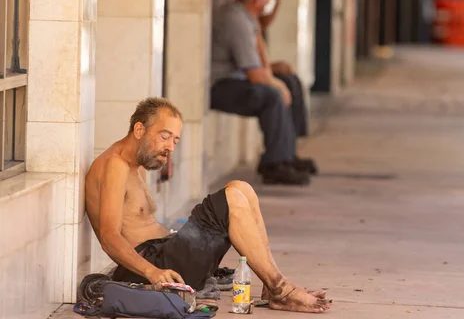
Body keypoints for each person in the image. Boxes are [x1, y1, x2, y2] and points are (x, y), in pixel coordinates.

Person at [84, 97, 331, 313]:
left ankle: (271, 285)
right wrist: (152, 273)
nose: (170, 147)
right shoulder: (114, 165)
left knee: (241, 188)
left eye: (175, 141)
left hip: (167, 253)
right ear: (139, 130)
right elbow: (109, 237)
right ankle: (282, 290)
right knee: (231, 200)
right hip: (150, 266)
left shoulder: (132, 165)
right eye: (164, 136)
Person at [211, 0, 315, 185]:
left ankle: (288, 154)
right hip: (219, 85)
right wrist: (278, 86)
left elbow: (259, 61)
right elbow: (255, 75)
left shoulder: (248, 17)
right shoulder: (235, 19)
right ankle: (274, 164)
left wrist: (278, 76)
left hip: (238, 79)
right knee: (272, 95)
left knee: (290, 80)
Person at [213, 0, 311, 142]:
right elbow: (249, 38)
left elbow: (257, 26)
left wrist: (275, 0)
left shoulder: (239, 6)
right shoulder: (224, 5)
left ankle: (291, 148)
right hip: (227, 74)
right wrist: (270, 77)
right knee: (273, 93)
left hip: (240, 67)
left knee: (289, 78)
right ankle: (279, 159)